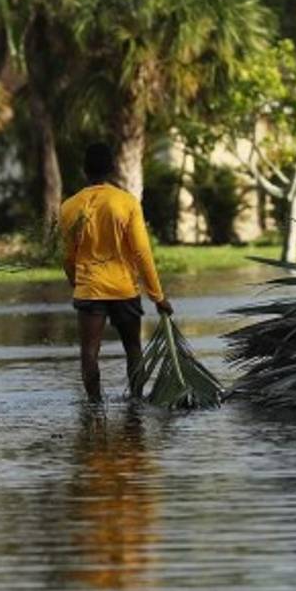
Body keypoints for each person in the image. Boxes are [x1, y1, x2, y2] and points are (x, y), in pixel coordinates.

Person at [59, 142, 174, 402]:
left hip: (89, 288)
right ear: (112, 168)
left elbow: (67, 256)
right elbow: (142, 253)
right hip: (123, 288)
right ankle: (136, 399)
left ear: (84, 170)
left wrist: (75, 282)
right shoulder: (126, 202)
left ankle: (94, 405)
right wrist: (158, 296)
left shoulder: (69, 207)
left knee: (89, 351)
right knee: (133, 347)